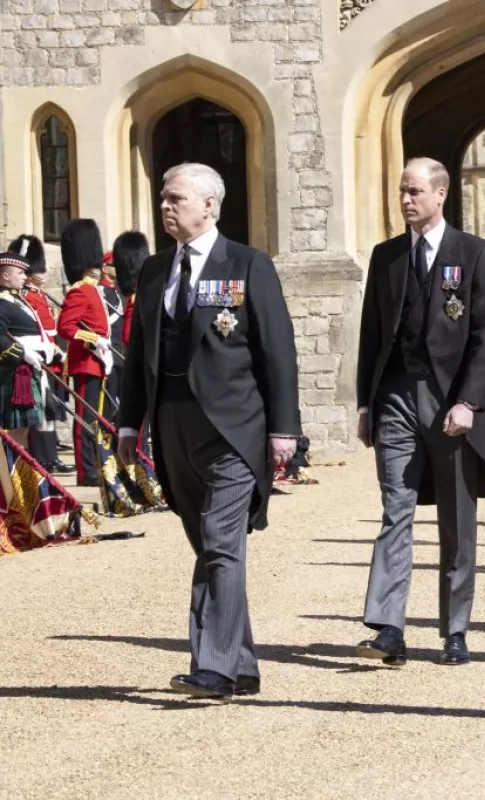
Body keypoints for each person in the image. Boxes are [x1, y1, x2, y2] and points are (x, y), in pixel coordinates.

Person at [117, 162, 300, 699]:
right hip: (174, 425)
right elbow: (138, 354)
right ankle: (241, 665)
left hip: (233, 427)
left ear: (210, 205)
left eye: (176, 198)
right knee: (210, 547)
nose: (165, 205)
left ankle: (213, 668)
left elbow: (277, 351)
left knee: (221, 544)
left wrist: (284, 429)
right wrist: (128, 423)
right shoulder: (156, 269)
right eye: (163, 197)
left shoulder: (247, 263)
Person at [355, 156, 485, 667]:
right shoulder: (387, 256)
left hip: (450, 401)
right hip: (396, 394)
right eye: (402, 191)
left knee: (456, 519)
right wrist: (365, 403)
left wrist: (469, 401)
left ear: (440, 193)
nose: (405, 200)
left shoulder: (475, 253)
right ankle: (388, 627)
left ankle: (455, 629)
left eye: (414, 191)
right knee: (395, 509)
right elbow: (372, 334)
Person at [57, 219, 112, 487]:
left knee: (97, 419)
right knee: (85, 419)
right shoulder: (80, 291)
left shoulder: (92, 289)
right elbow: (66, 327)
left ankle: (95, 466)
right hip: (87, 362)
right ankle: (86, 471)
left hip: (98, 361)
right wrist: (95, 341)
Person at [9, 235, 69, 473]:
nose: (41, 274)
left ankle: (50, 455)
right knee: (40, 413)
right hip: (37, 359)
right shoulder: (26, 298)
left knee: (50, 412)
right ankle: (42, 457)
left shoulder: (37, 296)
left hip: (50, 358)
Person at [0, 251, 52, 450]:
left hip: (28, 369)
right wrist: (22, 353)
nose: (25, 277)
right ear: (6, 276)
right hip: (15, 372)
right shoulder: (2, 303)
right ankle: (12, 468)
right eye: (20, 273)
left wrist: (51, 350)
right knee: (15, 429)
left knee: (24, 429)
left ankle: (20, 466)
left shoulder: (19, 300)